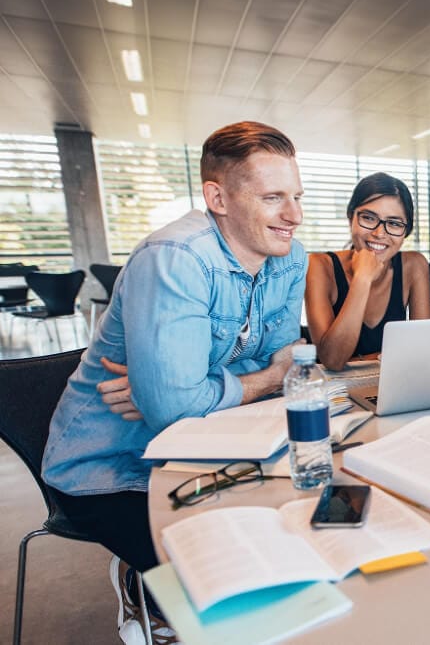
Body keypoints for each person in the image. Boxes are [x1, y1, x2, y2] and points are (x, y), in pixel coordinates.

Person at [42, 121, 307, 579]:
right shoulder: (175, 257)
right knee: (235, 569)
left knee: (302, 525)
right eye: (272, 198)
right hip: (113, 467)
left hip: (210, 447)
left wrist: (180, 390)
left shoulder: (290, 257)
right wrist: (257, 380)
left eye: (297, 197)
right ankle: (143, 591)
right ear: (217, 198)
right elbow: (188, 405)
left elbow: (280, 359)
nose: (294, 215)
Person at [304, 172, 430, 370]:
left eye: (394, 223)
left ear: (405, 231)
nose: (379, 233)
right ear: (351, 218)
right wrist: (362, 278)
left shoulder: (414, 265)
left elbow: (423, 352)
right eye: (369, 218)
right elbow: (333, 360)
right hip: (338, 387)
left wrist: (359, 360)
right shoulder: (319, 265)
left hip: (394, 382)